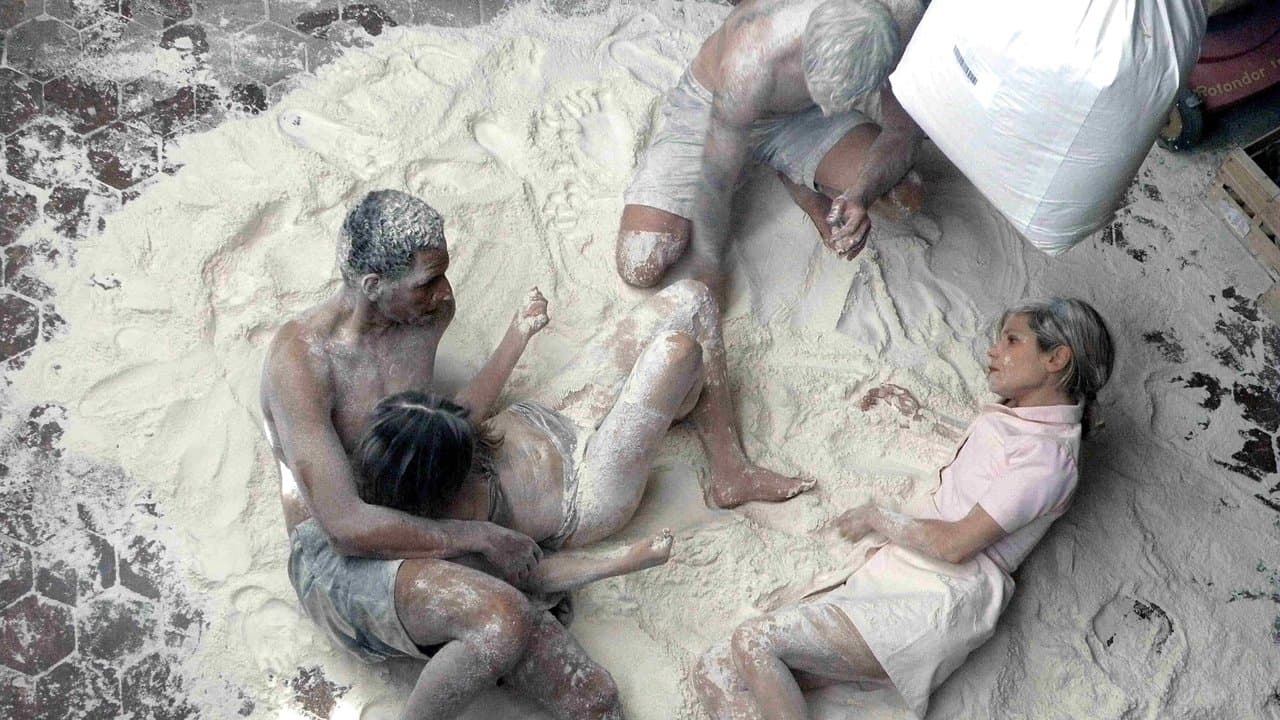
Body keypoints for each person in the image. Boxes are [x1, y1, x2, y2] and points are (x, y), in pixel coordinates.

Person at [263, 190, 620, 720]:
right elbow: (343, 525)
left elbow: (445, 421)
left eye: (444, 273)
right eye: (428, 282)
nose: (445, 292)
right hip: (339, 555)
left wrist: (517, 337)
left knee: (594, 698)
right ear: (373, 286)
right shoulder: (303, 361)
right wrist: (479, 536)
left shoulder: (426, 314)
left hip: (421, 511)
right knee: (502, 619)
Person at [691, 298, 1115, 720]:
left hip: (934, 599)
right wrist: (921, 417)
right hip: (901, 570)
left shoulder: (1047, 461)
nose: (994, 351)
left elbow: (954, 545)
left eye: (1012, 341)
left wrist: (877, 517)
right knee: (716, 669)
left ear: (1056, 358)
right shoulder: (1026, 414)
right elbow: (986, 464)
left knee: (755, 641)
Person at [616, 0, 927, 294]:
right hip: (712, 109)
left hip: (802, 113)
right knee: (640, 264)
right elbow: (717, 176)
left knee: (904, 195)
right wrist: (709, 269)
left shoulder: (900, 19)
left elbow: (903, 132)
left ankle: (795, 175)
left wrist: (860, 195)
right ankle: (798, 167)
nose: (833, 106)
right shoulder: (752, 54)